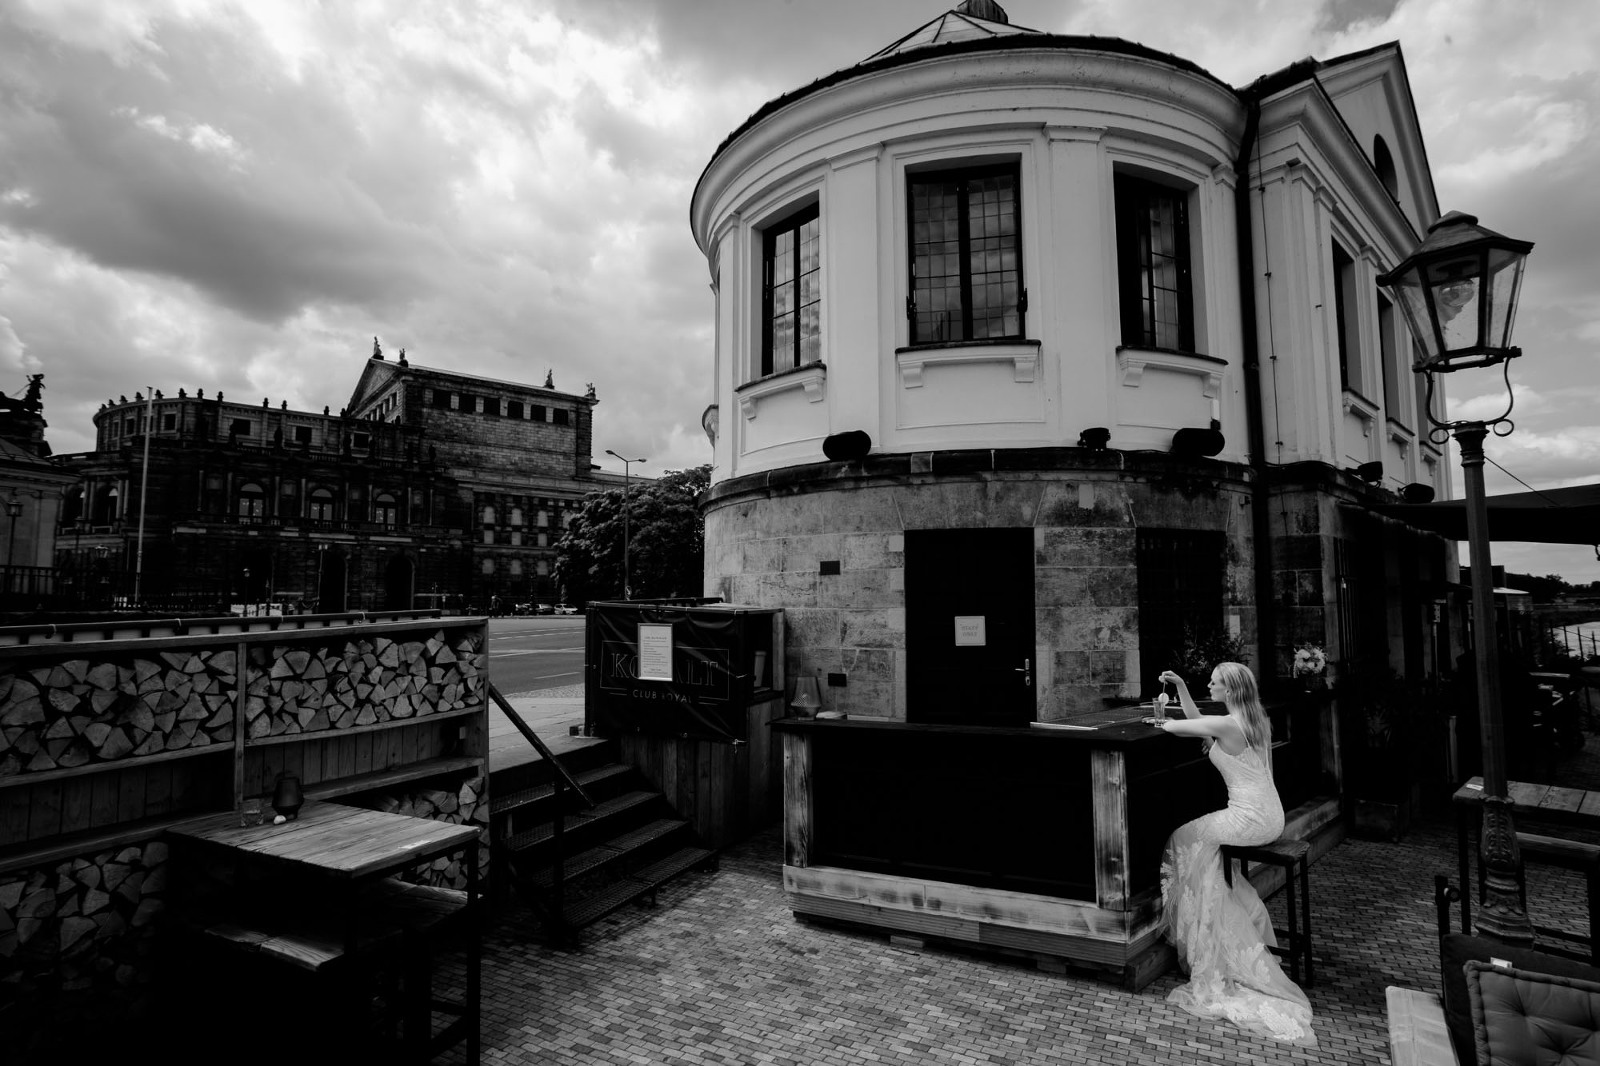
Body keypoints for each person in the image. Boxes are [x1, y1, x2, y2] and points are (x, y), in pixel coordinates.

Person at [1141, 662, 1317, 1046]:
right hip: (1269, 815)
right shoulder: (1252, 718)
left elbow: (1177, 727)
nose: (1209, 685)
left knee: (1183, 838)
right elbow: (1200, 721)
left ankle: (1210, 927)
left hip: (1249, 818)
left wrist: (1160, 718)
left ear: (1230, 690)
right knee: (1201, 846)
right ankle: (1218, 907)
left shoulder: (1229, 724)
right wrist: (1181, 686)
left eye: (1214, 682)